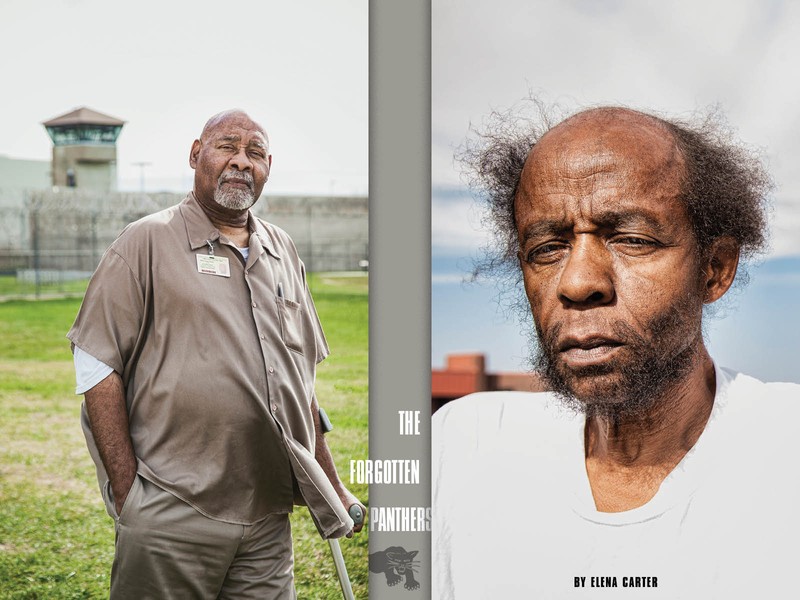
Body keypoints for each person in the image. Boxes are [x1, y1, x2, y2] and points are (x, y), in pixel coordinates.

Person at [432, 106, 800, 598]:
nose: (578, 282)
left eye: (632, 240)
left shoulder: (784, 451)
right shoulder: (459, 448)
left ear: (714, 268)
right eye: (546, 248)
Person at [68, 109, 364, 599]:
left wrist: (332, 484)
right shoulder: (145, 241)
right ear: (195, 154)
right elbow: (98, 365)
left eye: (256, 153)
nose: (241, 162)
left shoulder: (282, 250)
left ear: (269, 166)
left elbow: (299, 385)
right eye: (227, 146)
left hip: (267, 519)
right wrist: (129, 497)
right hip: (171, 511)